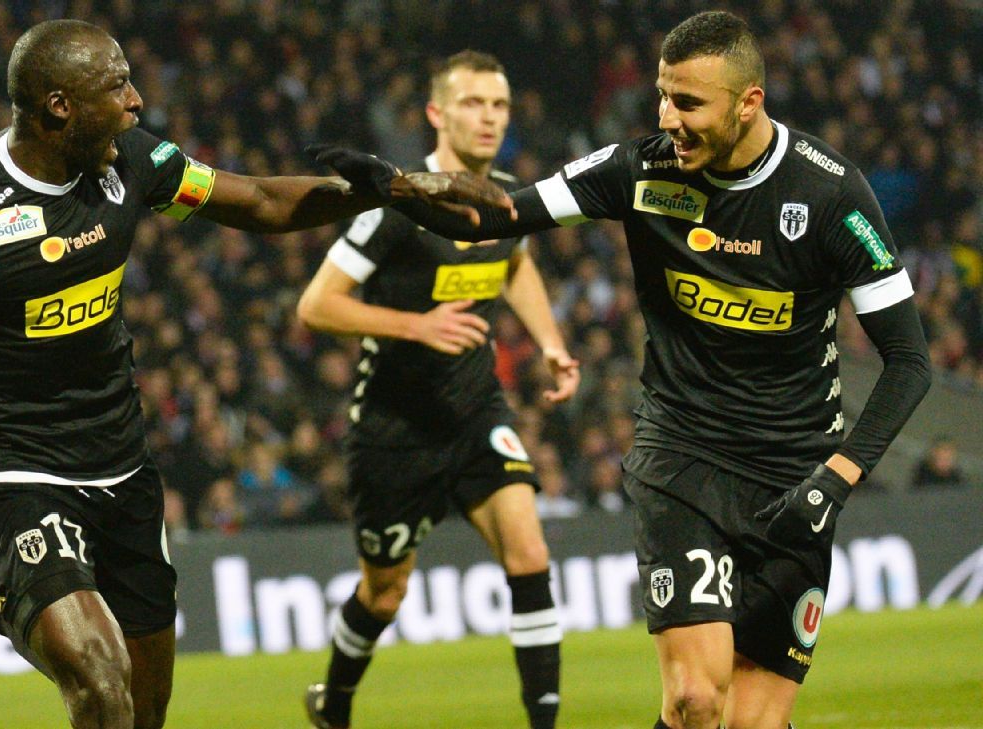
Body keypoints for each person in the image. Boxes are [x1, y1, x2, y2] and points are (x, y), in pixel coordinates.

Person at [0, 19, 510, 729]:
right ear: (58, 108)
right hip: (12, 472)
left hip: (121, 467)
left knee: (144, 711)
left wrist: (397, 189)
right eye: (116, 87)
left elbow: (261, 202)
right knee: (101, 681)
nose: (137, 101)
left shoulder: (132, 162)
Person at [318, 11, 932, 729]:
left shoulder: (831, 194)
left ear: (749, 102)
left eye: (688, 103)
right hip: (683, 456)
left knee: (754, 723)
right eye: (663, 97)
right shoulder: (639, 169)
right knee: (696, 700)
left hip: (795, 476)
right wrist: (401, 187)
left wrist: (836, 478)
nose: (668, 119)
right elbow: (495, 218)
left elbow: (909, 361)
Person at [297, 51, 579, 729]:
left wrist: (549, 342)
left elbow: (517, 264)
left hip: (475, 408)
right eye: (473, 103)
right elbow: (316, 305)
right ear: (436, 113)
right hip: (394, 426)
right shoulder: (398, 204)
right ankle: (334, 702)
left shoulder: (508, 196)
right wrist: (415, 325)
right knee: (385, 592)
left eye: (499, 105)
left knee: (530, 553)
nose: (489, 118)